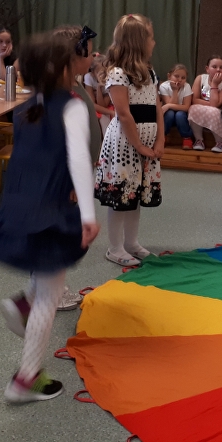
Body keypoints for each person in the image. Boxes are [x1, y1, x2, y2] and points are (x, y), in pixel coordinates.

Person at [0, 33, 100, 403]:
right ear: (65, 70)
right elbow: (78, 159)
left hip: (22, 207)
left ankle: (22, 304)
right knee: (50, 295)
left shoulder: (27, 107)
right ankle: (26, 378)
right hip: (51, 212)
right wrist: (88, 214)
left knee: (46, 272)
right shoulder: (71, 106)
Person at [94, 14, 163, 268]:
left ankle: (132, 243)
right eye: (151, 37)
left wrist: (160, 139)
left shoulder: (150, 72)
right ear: (138, 42)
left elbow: (157, 107)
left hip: (146, 143)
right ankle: (115, 248)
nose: (154, 42)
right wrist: (139, 145)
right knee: (122, 196)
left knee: (135, 194)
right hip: (125, 144)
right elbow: (123, 114)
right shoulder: (117, 74)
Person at [53, 23, 101, 312]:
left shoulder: (74, 85)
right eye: (90, 53)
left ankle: (47, 289)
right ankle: (48, 293)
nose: (93, 57)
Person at [188, 55, 222, 152]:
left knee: (213, 111)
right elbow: (194, 99)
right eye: (214, 67)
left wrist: (214, 84)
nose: (218, 70)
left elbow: (216, 105)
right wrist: (210, 104)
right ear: (207, 69)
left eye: (221, 67)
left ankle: (220, 143)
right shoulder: (200, 78)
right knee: (193, 108)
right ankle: (199, 140)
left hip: (217, 113)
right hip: (202, 109)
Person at [159, 63, 194, 150]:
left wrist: (168, 105)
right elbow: (169, 104)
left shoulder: (187, 86)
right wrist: (175, 90)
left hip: (182, 116)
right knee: (170, 113)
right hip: (168, 115)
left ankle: (187, 138)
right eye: (176, 76)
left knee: (180, 114)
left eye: (183, 78)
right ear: (169, 76)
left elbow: (186, 107)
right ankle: (162, 137)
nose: (180, 80)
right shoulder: (164, 86)